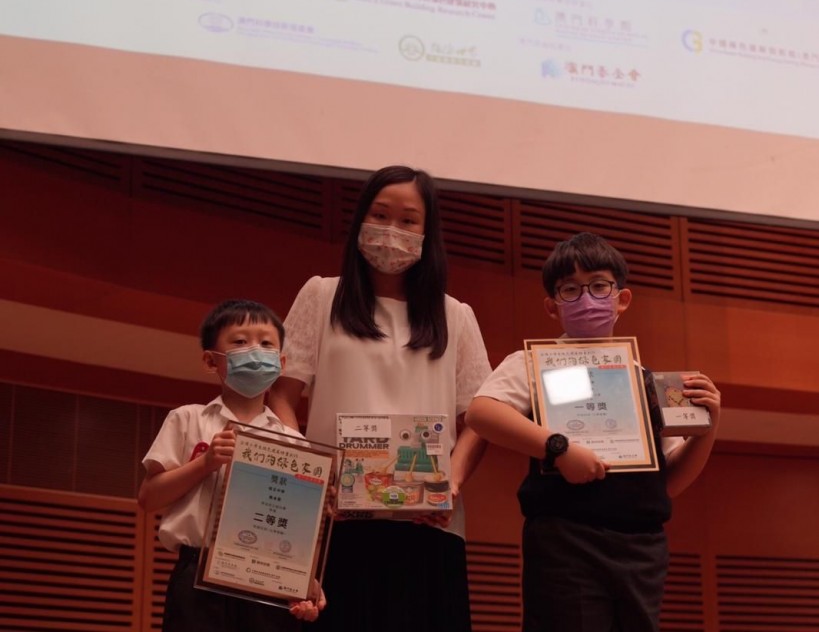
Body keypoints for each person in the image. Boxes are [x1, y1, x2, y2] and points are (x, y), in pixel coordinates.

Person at [269, 164, 492, 632]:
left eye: (409, 220)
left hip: (429, 525)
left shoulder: (456, 315)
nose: (392, 230)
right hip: (335, 522)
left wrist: (451, 483)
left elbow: (479, 418)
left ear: (428, 233)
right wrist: (310, 470)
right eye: (380, 215)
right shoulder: (321, 295)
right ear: (360, 221)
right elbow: (282, 396)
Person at [466, 232, 721, 632]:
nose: (587, 298)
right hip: (566, 541)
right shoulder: (534, 362)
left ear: (622, 298)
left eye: (600, 286)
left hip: (643, 548)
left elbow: (669, 482)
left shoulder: (648, 381)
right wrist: (558, 448)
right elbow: (482, 413)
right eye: (571, 289)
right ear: (552, 306)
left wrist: (708, 427)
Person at [138, 298, 325, 632]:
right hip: (197, 573)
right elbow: (149, 498)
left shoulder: (294, 443)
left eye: (266, 344)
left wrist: (305, 582)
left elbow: (300, 528)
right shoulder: (187, 419)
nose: (255, 351)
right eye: (240, 342)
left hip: (268, 576)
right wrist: (206, 463)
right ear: (211, 360)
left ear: (281, 363)